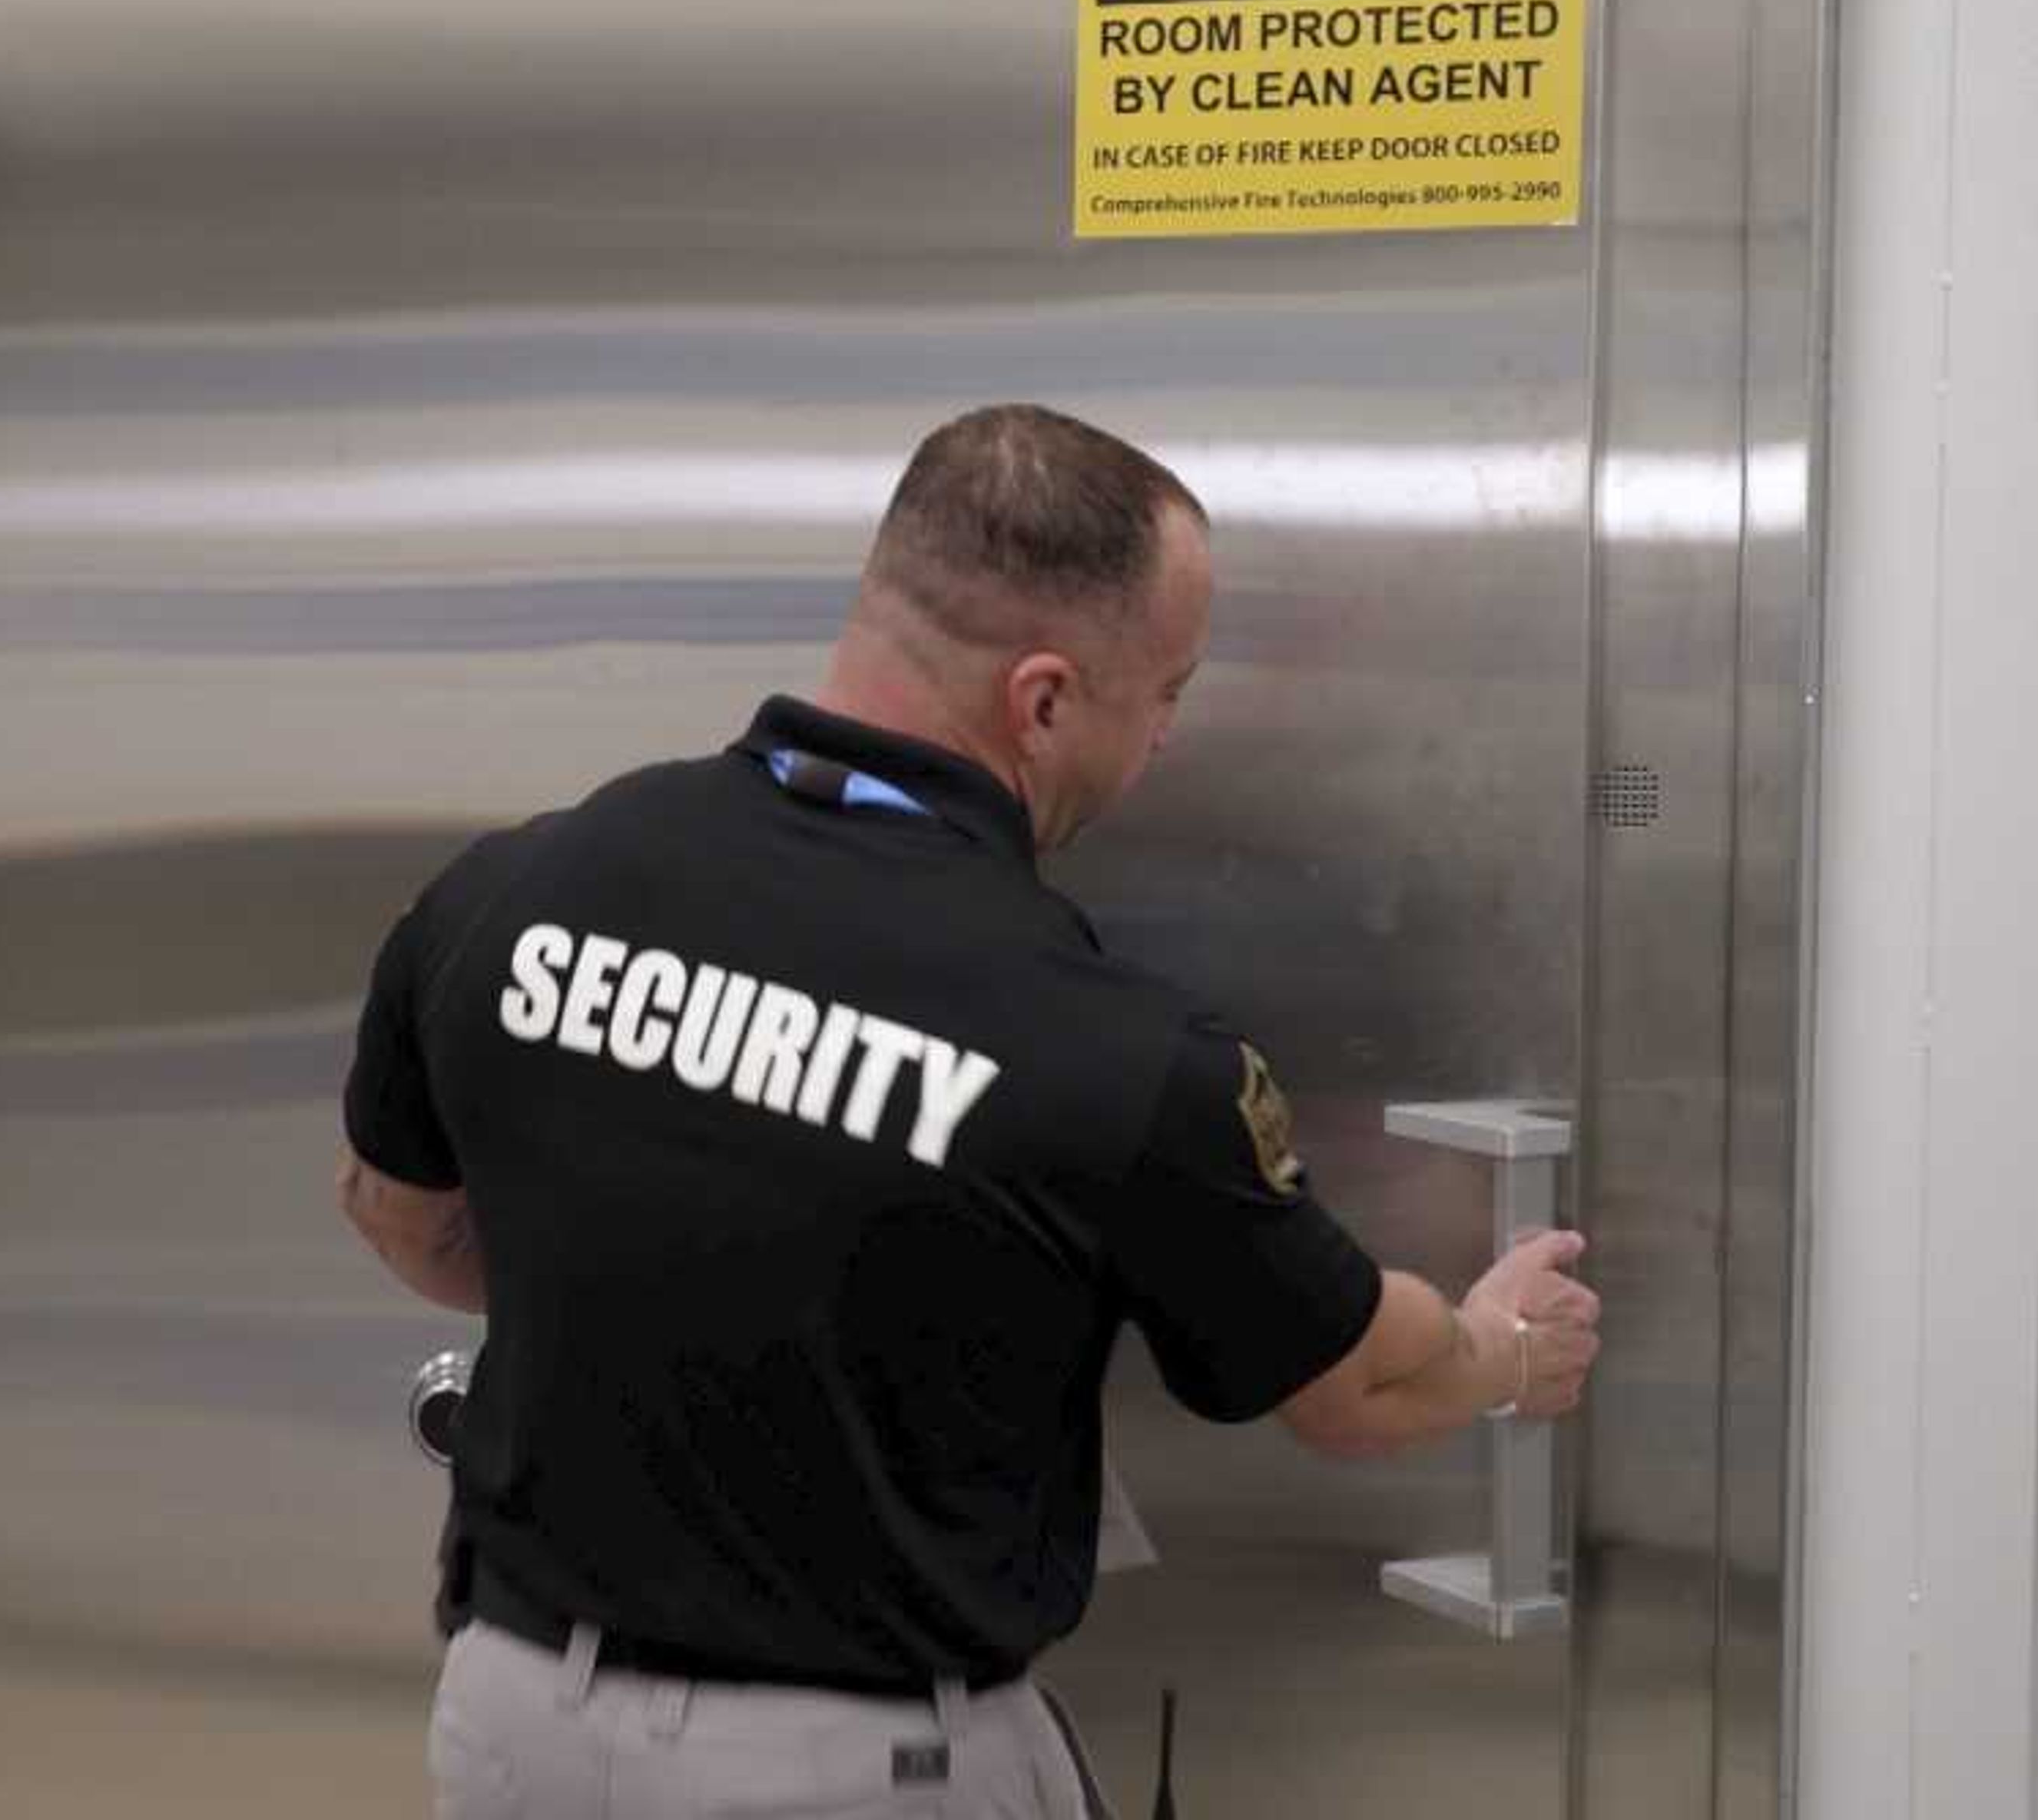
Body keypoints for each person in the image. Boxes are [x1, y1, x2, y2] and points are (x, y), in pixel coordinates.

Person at [339, 403, 1601, 1819]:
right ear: (1045, 700)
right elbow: (1359, 1387)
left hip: (517, 1734)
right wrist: (1503, 1348)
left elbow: (409, 1216)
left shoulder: (513, 890)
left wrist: (661, 1309)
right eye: (1165, 694)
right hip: (853, 1775)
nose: (1168, 742)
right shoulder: (1109, 1051)